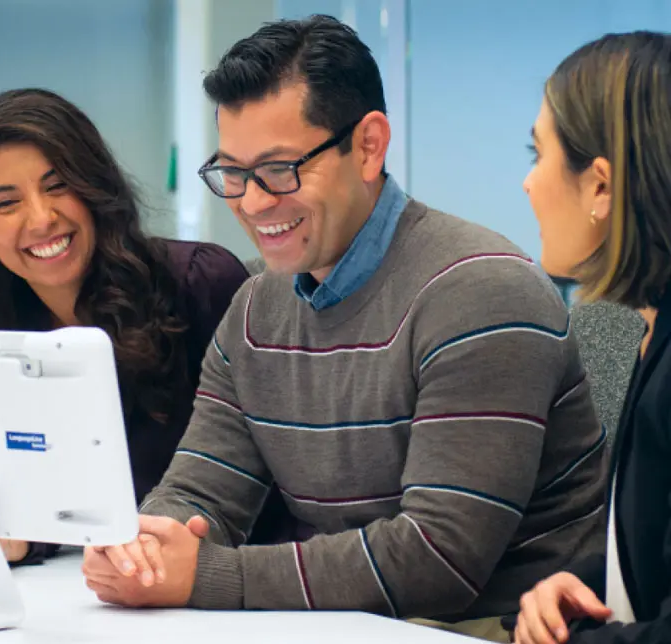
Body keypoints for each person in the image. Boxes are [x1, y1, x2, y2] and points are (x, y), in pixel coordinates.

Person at [82, 16, 606, 642]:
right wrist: (142, 548)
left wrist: (204, 576)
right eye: (233, 173)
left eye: (280, 169)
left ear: (368, 146)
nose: (252, 202)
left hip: (499, 627)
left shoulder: (479, 289)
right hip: (358, 624)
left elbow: (438, 560)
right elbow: (201, 492)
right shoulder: (254, 309)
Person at [0, 87, 290, 565]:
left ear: (93, 189)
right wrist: (16, 536)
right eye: (7, 203)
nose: (41, 219)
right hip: (98, 582)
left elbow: (270, 466)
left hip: (235, 573)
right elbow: (35, 490)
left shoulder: (198, 284)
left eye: (57, 186)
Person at [512, 31, 671, 644]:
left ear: (600, 185)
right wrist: (580, 586)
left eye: (538, 154)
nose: (528, 184)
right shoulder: (648, 330)